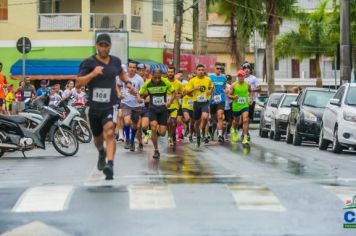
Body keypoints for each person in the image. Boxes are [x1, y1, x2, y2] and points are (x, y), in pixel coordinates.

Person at [76, 33, 127, 180]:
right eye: (101, 45)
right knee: (98, 139)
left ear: (110, 46)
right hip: (94, 108)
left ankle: (110, 165)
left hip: (109, 106)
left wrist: (128, 83)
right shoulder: (88, 63)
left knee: (110, 132)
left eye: (106, 45)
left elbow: (122, 74)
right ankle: (101, 153)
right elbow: (79, 82)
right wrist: (93, 74)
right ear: (97, 46)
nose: (104, 48)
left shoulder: (116, 62)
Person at [139, 68, 174, 159]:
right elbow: (140, 93)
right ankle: (156, 150)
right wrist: (139, 98)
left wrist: (170, 102)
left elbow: (174, 93)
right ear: (152, 76)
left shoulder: (165, 82)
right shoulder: (147, 83)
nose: (157, 80)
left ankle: (156, 133)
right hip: (152, 109)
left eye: (159, 77)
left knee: (162, 133)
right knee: (153, 126)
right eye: (155, 78)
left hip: (163, 110)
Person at [185, 64, 214, 147]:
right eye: (199, 70)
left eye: (202, 70)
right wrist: (195, 89)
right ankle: (198, 135)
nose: (201, 71)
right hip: (196, 103)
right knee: (196, 123)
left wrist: (210, 91)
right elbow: (187, 92)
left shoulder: (208, 79)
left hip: (205, 101)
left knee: (205, 117)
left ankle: (202, 131)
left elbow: (211, 87)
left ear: (204, 71)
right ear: (196, 71)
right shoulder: (192, 81)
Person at [118, 61, 145, 152]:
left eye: (134, 67)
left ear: (136, 69)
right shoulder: (123, 77)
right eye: (130, 67)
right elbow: (117, 85)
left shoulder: (139, 79)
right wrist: (119, 93)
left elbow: (143, 92)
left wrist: (138, 95)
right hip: (125, 102)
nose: (132, 69)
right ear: (128, 68)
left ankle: (132, 141)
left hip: (137, 105)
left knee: (135, 125)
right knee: (127, 121)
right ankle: (128, 140)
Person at [228, 70, 253, 144]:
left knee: (245, 120)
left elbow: (250, 91)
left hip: (245, 105)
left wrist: (251, 98)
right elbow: (228, 95)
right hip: (236, 106)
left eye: (242, 76)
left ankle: (245, 137)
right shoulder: (233, 85)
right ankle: (233, 129)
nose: (241, 77)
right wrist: (233, 97)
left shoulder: (247, 84)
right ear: (237, 77)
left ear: (244, 76)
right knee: (236, 121)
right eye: (239, 76)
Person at [208, 62, 227, 143]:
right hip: (212, 100)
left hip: (221, 100)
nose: (219, 70)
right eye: (217, 68)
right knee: (212, 118)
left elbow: (224, 87)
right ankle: (210, 128)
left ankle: (219, 135)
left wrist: (226, 91)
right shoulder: (210, 77)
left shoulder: (224, 78)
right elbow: (208, 88)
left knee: (220, 117)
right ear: (214, 68)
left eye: (220, 69)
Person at [166, 66, 183, 148]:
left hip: (175, 106)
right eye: (169, 72)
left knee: (173, 123)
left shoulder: (179, 83)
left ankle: (170, 137)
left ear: (174, 73)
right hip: (165, 105)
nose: (170, 73)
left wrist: (179, 95)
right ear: (167, 73)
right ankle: (170, 135)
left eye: (171, 72)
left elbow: (182, 94)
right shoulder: (164, 82)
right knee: (167, 122)